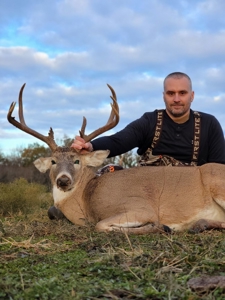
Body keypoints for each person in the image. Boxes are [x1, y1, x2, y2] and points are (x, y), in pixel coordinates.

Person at [71, 72, 225, 166]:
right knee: (110, 174)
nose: (176, 99)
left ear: (192, 95)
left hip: (191, 193)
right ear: (163, 96)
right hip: (148, 190)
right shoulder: (150, 121)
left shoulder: (209, 124)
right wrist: (90, 146)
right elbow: (119, 141)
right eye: (171, 93)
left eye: (182, 93)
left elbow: (218, 168)